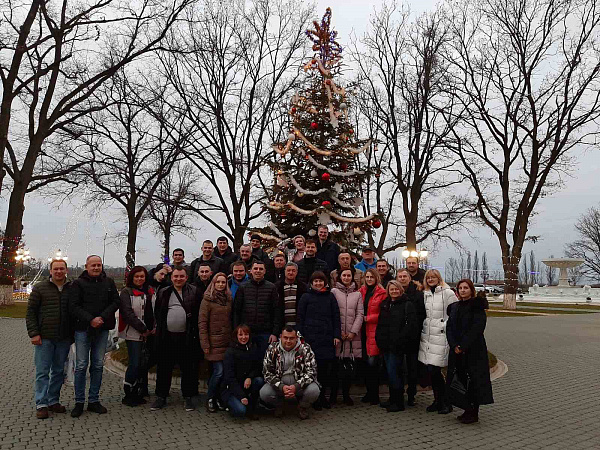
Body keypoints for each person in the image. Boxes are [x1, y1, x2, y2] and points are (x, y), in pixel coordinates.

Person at [69, 255, 120, 417]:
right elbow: (73, 305)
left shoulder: (109, 282)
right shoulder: (77, 284)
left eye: (99, 265)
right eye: (93, 265)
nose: (96, 268)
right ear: (86, 266)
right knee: (82, 365)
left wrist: (101, 318)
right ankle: (79, 401)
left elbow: (115, 302)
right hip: (83, 329)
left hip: (102, 329)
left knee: (98, 365)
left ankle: (93, 400)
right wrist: (90, 319)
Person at [26, 258, 72, 419]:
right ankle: (41, 403)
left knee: (59, 371)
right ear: (50, 271)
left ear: (66, 270)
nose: (59, 271)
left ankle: (53, 401)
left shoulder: (71, 288)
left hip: (64, 338)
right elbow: (31, 312)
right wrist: (34, 333)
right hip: (44, 337)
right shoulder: (40, 288)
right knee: (42, 372)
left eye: (62, 268)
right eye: (56, 269)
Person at [151, 267, 202, 412]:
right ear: (171, 278)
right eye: (175, 276)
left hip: (187, 336)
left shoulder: (194, 291)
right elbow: (158, 313)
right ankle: (161, 396)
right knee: (164, 368)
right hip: (167, 337)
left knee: (188, 368)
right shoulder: (163, 292)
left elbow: (198, 313)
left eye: (181, 276)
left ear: (186, 278)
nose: (178, 279)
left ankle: (188, 397)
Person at [446, 279, 494, 424]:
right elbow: (449, 328)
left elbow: (477, 329)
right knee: (460, 379)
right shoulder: (454, 307)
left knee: (473, 381)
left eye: (465, 288)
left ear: (471, 290)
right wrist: (454, 345)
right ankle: (465, 408)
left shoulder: (476, 307)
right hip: (457, 351)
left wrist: (463, 346)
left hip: (474, 351)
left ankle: (473, 412)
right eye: (460, 288)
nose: (462, 290)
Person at [297, 271, 341, 410]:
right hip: (310, 339)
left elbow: (336, 317)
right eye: (315, 281)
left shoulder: (330, 297)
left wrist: (336, 335)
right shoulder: (305, 297)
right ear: (311, 283)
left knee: (324, 370)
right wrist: (301, 337)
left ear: (325, 282)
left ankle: (322, 397)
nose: (318, 283)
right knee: (311, 369)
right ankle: (314, 398)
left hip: (326, 338)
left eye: (320, 281)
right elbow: (300, 318)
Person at [375, 281, 419, 412]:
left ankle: (398, 402)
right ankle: (392, 398)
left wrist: (399, 341)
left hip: (398, 346)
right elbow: (381, 324)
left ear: (401, 290)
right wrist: (379, 340)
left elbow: (410, 326)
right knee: (389, 372)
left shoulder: (407, 305)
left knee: (395, 373)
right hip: (386, 345)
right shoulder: (385, 304)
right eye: (391, 289)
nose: (394, 291)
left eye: (396, 289)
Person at [418, 269, 458, 414]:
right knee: (431, 371)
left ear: (438, 278)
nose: (430, 279)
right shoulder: (426, 294)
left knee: (437, 370)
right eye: (428, 277)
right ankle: (437, 400)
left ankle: (446, 402)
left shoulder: (448, 293)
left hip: (441, 336)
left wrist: (446, 328)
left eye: (433, 277)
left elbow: (455, 313)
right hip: (428, 336)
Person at [260, 326, 320, 420]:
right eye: (285, 338)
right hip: (280, 383)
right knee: (264, 393)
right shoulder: (272, 348)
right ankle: (279, 405)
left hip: (299, 382)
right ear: (280, 337)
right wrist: (281, 387)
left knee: (314, 390)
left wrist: (296, 386)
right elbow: (267, 372)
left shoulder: (305, 348)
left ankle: (302, 406)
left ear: (296, 338)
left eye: (291, 338)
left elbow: (312, 371)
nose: (288, 341)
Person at [118, 266, 155, 407]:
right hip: (133, 333)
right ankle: (129, 392)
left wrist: (153, 328)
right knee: (134, 363)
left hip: (149, 333)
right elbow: (128, 313)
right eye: (137, 276)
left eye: (142, 276)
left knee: (144, 362)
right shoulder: (126, 292)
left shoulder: (150, 291)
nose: (140, 279)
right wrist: (143, 329)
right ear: (132, 278)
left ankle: (141, 389)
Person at [199, 272, 233, 413]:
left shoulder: (229, 299)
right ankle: (210, 398)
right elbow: (202, 323)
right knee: (218, 372)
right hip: (213, 343)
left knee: (224, 373)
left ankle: (219, 397)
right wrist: (205, 344)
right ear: (213, 283)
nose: (220, 284)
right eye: (218, 282)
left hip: (227, 342)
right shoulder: (207, 300)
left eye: (223, 282)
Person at [233, 261, 282, 354]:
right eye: (255, 269)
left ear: (265, 271)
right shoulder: (243, 288)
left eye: (261, 269)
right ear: (250, 271)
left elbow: (277, 311)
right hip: (247, 333)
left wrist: (275, 333)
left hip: (266, 333)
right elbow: (236, 311)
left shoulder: (271, 287)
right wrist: (237, 331)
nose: (258, 271)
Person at [330, 267, 363, 406]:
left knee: (349, 367)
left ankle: (346, 394)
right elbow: (331, 313)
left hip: (352, 337)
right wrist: (338, 332)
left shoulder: (358, 294)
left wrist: (352, 332)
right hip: (338, 336)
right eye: (344, 275)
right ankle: (333, 395)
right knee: (335, 367)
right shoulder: (334, 292)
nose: (346, 278)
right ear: (340, 277)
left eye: (349, 275)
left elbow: (359, 314)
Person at [396, 268, 426, 405]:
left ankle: (412, 394)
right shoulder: (393, 293)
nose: (402, 278)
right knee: (399, 367)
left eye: (404, 276)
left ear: (409, 278)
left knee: (412, 366)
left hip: (413, 335)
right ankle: (398, 393)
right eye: (400, 276)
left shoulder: (418, 294)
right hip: (398, 336)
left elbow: (422, 315)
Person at [222, 325, 264, 419]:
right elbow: (229, 378)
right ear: (236, 336)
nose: (244, 337)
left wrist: (250, 377)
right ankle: (229, 404)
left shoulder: (253, 347)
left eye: (246, 334)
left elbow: (258, 367)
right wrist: (241, 396)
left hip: (246, 384)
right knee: (240, 411)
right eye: (240, 335)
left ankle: (252, 406)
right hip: (232, 389)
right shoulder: (230, 352)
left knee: (259, 380)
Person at [359, 268, 387, 405]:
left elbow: (384, 313)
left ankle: (374, 394)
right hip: (361, 331)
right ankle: (368, 392)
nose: (369, 279)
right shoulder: (361, 291)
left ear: (376, 278)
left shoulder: (382, 293)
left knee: (373, 363)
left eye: (372, 277)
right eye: (367, 277)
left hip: (374, 330)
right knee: (365, 363)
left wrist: (368, 318)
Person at [275, 262, 307, 327]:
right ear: (284, 271)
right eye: (288, 270)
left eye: (293, 270)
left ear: (297, 272)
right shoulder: (277, 287)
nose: (291, 273)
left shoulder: (303, 287)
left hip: (299, 325)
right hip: (282, 325)